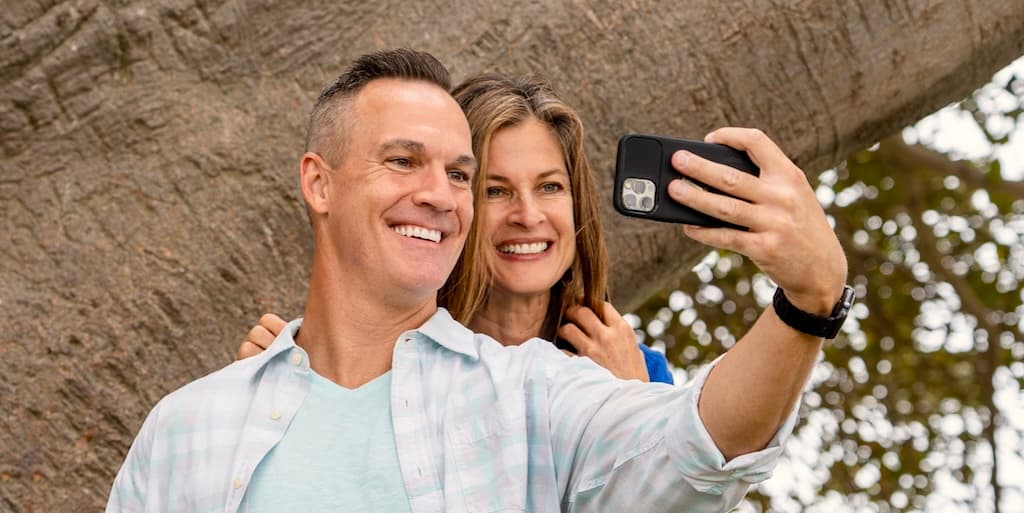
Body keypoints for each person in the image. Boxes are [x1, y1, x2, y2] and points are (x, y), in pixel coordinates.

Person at [106, 48, 849, 513]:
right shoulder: (191, 426)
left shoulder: (538, 395)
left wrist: (808, 301)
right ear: (319, 183)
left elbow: (693, 446)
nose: (439, 193)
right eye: (404, 161)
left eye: (459, 174)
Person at [239, 72, 672, 383]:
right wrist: (283, 394)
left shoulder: (636, 370)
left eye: (550, 187)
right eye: (494, 191)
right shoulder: (370, 362)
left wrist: (634, 407)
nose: (528, 215)